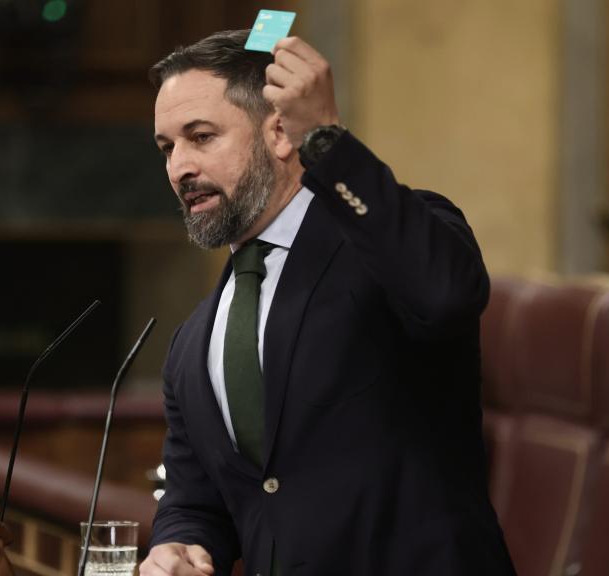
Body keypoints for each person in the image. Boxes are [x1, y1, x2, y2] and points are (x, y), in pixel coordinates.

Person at [140, 29, 515, 576]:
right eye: (167, 148)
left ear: (279, 133)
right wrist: (178, 544)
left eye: (201, 137)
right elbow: (198, 501)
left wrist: (326, 141)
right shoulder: (193, 340)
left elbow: (447, 294)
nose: (179, 169)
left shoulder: (388, 246)